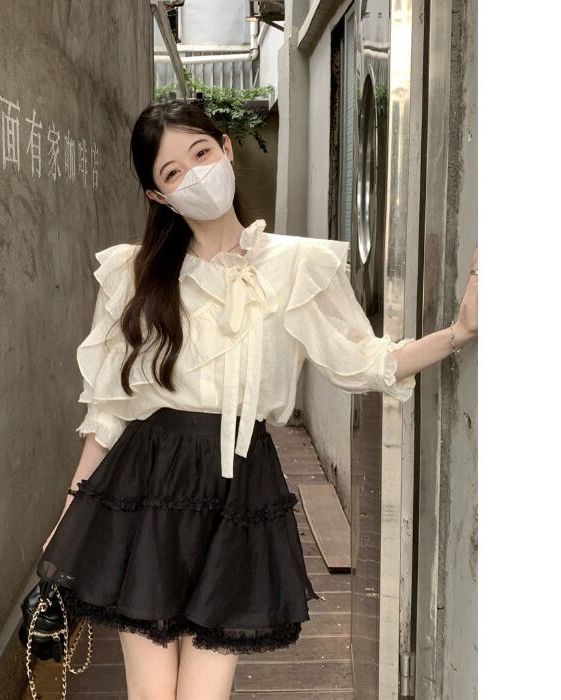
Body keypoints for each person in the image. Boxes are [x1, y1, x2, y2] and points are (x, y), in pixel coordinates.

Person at [36, 100, 478, 700]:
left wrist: (458, 334)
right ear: (158, 196)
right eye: (173, 173)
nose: (196, 175)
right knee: (151, 693)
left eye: (201, 153)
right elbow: (110, 412)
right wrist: (71, 516)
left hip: (238, 486)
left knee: (204, 694)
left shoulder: (297, 265)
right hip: (148, 484)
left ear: (226, 148)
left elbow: (362, 361)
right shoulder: (135, 275)